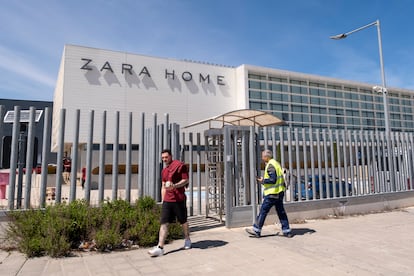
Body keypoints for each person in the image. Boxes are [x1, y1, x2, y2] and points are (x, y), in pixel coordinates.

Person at [148, 149, 191, 257]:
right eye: (163, 158)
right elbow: (163, 186)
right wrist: (163, 200)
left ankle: (187, 239)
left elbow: (186, 180)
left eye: (166, 157)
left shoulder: (179, 166)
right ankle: (160, 247)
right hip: (168, 201)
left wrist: (175, 186)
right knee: (164, 223)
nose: (164, 159)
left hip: (179, 199)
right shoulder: (164, 171)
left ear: (171, 156)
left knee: (183, 221)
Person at [246, 149, 293, 238]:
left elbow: (272, 180)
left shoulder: (270, 165)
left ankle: (256, 230)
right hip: (279, 193)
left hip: (272, 194)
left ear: (267, 157)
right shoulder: (276, 163)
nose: (262, 158)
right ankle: (287, 231)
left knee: (263, 212)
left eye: (263, 156)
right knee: (281, 212)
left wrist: (263, 180)